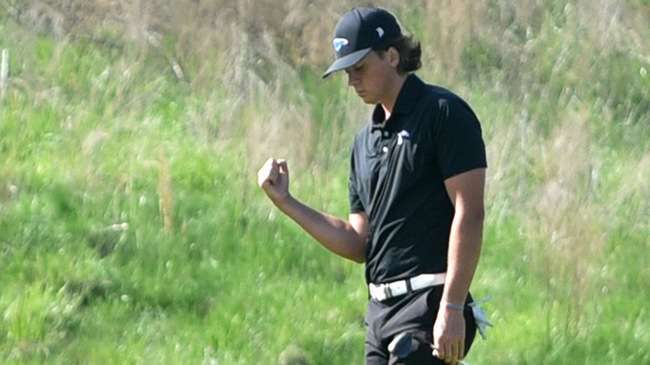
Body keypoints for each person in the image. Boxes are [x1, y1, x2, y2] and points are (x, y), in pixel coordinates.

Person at [257, 7, 487, 365]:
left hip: (429, 304)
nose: (352, 81)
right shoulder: (364, 144)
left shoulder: (443, 113)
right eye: (347, 72)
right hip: (379, 315)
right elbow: (357, 241)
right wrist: (286, 202)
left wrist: (453, 307)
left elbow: (469, 214)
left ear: (392, 56)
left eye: (359, 68)